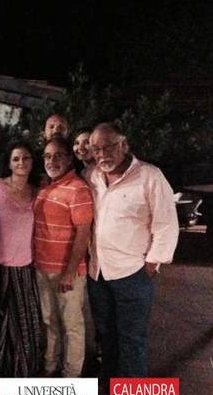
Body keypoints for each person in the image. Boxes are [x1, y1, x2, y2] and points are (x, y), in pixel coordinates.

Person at [86, 122, 179, 379]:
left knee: (132, 340)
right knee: (107, 335)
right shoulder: (92, 176)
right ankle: (111, 385)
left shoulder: (150, 176)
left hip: (132, 273)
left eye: (108, 147)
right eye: (96, 149)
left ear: (124, 145)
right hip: (98, 272)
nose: (102, 154)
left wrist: (152, 264)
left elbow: (166, 224)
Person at [34, 138, 93, 378]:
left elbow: (83, 233)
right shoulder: (45, 188)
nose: (52, 161)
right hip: (42, 268)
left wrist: (69, 272)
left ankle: (71, 376)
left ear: (69, 159)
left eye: (58, 155)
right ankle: (50, 366)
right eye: (48, 156)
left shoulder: (79, 189)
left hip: (67, 271)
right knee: (50, 321)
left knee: (72, 326)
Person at [0, 142, 43, 380]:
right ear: (8, 163)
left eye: (26, 158)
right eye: (16, 159)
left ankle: (22, 370)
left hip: (26, 266)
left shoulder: (37, 191)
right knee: (0, 322)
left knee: (26, 322)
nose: (21, 163)